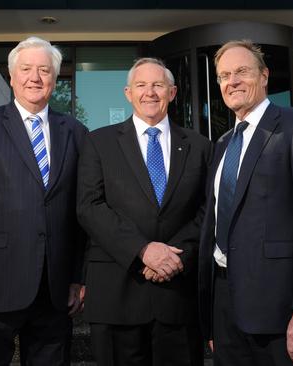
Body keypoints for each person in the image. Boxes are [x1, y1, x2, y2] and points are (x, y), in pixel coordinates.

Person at [0, 36, 87, 366]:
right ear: (11, 76)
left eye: (44, 70)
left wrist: (78, 277)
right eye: (26, 69)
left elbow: (81, 213)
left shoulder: (76, 132)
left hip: (53, 294)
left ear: (55, 79)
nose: (34, 78)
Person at [197, 40, 293, 366]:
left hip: (280, 309)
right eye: (223, 75)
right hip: (225, 306)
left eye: (241, 71)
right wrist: (213, 320)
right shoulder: (221, 144)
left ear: (264, 76)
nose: (232, 81)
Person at [77, 57, 211, 366]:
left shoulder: (200, 146)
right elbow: (89, 206)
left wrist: (177, 257)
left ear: (173, 92)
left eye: (158, 85)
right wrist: (143, 250)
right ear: (127, 93)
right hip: (117, 293)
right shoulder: (98, 142)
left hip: (178, 295)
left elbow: (207, 210)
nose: (149, 92)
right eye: (141, 85)